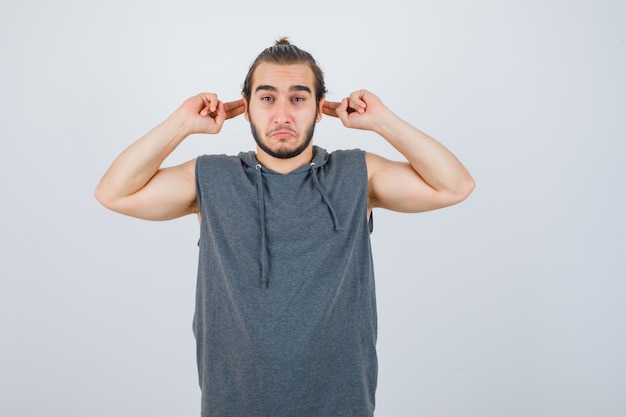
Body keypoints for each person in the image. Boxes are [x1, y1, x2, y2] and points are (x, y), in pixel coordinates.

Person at [95, 38, 474, 417]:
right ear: (244, 108)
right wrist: (181, 123)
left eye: (297, 98)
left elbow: (455, 185)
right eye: (267, 98)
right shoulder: (212, 178)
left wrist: (381, 121)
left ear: (318, 107)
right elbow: (114, 193)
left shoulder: (357, 174)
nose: (282, 116)